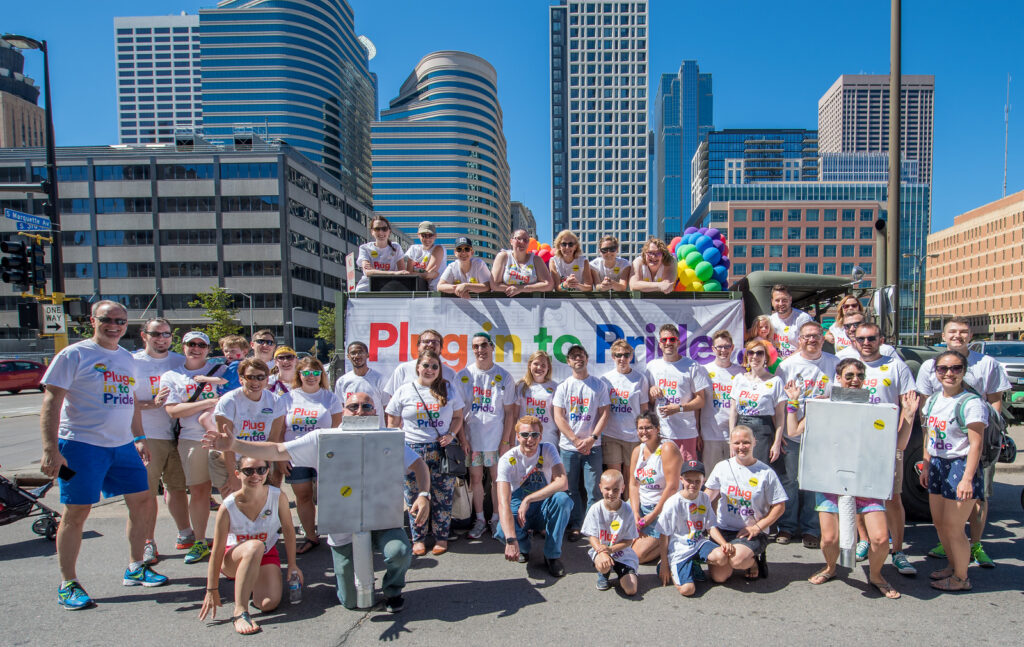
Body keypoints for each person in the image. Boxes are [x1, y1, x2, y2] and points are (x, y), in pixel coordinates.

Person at [203, 391, 430, 614]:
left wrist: (423, 494)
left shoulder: (387, 435)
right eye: (354, 406)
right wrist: (235, 445)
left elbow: (419, 464)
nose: (360, 411)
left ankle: (392, 590)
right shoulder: (323, 437)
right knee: (351, 602)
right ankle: (349, 583)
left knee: (399, 551)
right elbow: (277, 449)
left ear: (376, 411)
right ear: (343, 410)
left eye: (367, 406)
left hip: (382, 519)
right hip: (342, 524)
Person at [40, 300, 167, 610]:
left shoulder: (126, 359)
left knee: (142, 502)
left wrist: (138, 437)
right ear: (92, 321)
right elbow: (52, 403)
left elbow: (132, 402)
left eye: (120, 320)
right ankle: (68, 582)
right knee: (77, 511)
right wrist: (50, 450)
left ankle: (136, 566)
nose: (114, 325)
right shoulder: (74, 354)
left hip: (123, 446)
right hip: (81, 446)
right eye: (107, 319)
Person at [785, 359, 918, 599]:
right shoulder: (822, 405)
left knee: (879, 539)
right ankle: (831, 567)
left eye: (859, 375)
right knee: (829, 539)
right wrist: (793, 403)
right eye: (849, 375)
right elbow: (794, 431)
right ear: (838, 378)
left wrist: (908, 417)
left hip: (867, 482)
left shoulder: (877, 408)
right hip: (830, 481)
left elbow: (898, 444)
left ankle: (876, 575)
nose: (854, 380)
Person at [917, 317, 1010, 569]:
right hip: (943, 444)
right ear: (944, 336)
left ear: (971, 335)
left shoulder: (987, 363)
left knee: (978, 496)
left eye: (963, 332)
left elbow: (995, 401)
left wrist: (990, 437)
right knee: (945, 510)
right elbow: (928, 409)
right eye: (953, 332)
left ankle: (975, 544)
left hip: (976, 438)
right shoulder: (929, 366)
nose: (958, 336)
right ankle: (950, 545)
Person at [847, 322, 918, 576]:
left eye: (871, 338)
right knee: (854, 495)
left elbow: (908, 405)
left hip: (886, 446)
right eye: (861, 338)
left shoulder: (896, 366)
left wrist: (899, 439)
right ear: (854, 340)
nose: (866, 342)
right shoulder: (849, 365)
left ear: (881, 339)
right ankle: (864, 539)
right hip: (855, 444)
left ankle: (898, 551)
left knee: (892, 498)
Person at [198, 457, 299, 635]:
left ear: (267, 471)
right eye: (248, 471)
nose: (255, 475)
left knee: (268, 604)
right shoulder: (228, 506)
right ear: (237, 474)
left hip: (266, 555)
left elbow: (289, 531)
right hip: (233, 559)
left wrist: (292, 565)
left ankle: (250, 583)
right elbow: (217, 550)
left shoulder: (278, 496)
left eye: (261, 470)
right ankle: (240, 612)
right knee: (254, 546)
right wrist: (211, 589)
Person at [385, 350, 467, 556]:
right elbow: (392, 420)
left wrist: (451, 434)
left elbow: (458, 417)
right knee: (414, 495)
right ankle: (418, 537)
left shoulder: (448, 388)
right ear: (418, 367)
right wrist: (397, 443)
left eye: (434, 366)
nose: (430, 370)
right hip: (412, 450)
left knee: (443, 496)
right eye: (426, 366)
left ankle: (441, 537)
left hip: (441, 450)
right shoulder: (405, 390)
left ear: (439, 370)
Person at [920, 350, 989, 592]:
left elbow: (976, 443)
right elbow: (929, 434)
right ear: (936, 372)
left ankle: (962, 578)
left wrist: (967, 479)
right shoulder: (933, 400)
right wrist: (926, 464)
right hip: (938, 463)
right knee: (939, 523)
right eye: (943, 369)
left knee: (954, 526)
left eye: (956, 368)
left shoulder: (972, 403)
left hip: (960, 465)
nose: (949, 373)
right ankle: (953, 565)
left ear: (963, 371)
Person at [163, 331, 227, 565]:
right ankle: (200, 540)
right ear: (183, 346)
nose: (196, 348)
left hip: (223, 437)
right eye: (191, 344)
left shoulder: (220, 370)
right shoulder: (173, 375)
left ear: (208, 349)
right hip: (192, 439)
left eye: (202, 345)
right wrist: (209, 402)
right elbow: (172, 411)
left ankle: (232, 536)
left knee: (230, 489)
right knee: (199, 492)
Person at [132, 317, 188, 566]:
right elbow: (123, 401)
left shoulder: (179, 361)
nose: (162, 338)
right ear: (144, 335)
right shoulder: (132, 362)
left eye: (166, 334)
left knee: (176, 489)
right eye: (156, 334)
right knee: (146, 494)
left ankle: (186, 534)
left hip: (177, 434)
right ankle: (147, 542)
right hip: (148, 435)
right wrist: (151, 404)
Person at [776, 321, 836, 546]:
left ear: (823, 338)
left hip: (822, 437)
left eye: (816, 336)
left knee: (813, 482)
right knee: (789, 481)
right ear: (799, 340)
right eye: (806, 336)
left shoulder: (834, 363)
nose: (811, 340)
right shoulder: (787, 365)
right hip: (792, 435)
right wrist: (780, 431)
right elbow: (779, 401)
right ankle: (787, 527)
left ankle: (812, 528)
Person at [704, 426, 787, 582]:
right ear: (731, 444)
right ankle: (733, 559)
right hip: (723, 529)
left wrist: (756, 528)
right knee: (719, 577)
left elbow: (780, 506)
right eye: (737, 443)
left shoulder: (765, 472)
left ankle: (753, 561)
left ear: (754, 442)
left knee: (737, 560)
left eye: (746, 442)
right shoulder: (722, 467)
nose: (741, 447)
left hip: (751, 533)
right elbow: (707, 497)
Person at [453, 333, 516, 539]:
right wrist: (463, 439)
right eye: (475, 346)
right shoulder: (463, 375)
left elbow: (509, 413)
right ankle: (480, 519)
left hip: (497, 440)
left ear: (491, 347)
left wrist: (506, 441)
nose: (480, 350)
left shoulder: (504, 376)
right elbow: (458, 414)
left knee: (499, 481)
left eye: (484, 345)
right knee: (476, 479)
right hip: (473, 441)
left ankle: (497, 518)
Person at [494, 416, 573, 578]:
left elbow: (563, 483)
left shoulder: (548, 449)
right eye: (524, 435)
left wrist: (528, 499)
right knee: (502, 530)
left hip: (542, 507)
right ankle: (522, 545)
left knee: (562, 500)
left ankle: (552, 555)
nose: (530, 439)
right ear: (517, 436)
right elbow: (503, 503)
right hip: (519, 511)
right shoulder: (507, 460)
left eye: (535, 435)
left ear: (541, 437)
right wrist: (510, 540)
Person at [279, 357, 343, 553]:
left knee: (327, 496)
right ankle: (311, 536)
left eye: (315, 373)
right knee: (303, 496)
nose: (311, 377)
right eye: (306, 373)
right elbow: (279, 430)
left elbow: (337, 428)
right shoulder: (287, 398)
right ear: (299, 375)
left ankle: (336, 535)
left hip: (324, 455)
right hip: (295, 455)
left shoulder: (329, 397)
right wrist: (281, 458)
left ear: (321, 375)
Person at [553, 344, 611, 541]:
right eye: (573, 357)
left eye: (581, 355)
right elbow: (558, 417)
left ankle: (592, 525)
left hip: (593, 447)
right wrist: (576, 440)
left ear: (587, 358)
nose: (578, 359)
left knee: (594, 488)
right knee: (570, 488)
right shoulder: (563, 387)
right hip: (569, 447)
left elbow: (605, 414)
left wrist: (592, 438)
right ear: (568, 362)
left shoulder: (598, 385)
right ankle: (576, 524)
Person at [210, 359, 287, 501]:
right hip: (231, 460)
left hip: (261, 460)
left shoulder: (276, 401)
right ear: (241, 379)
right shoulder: (229, 401)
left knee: (262, 506)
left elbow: (273, 440)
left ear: (267, 379)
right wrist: (234, 477)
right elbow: (226, 444)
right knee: (236, 506)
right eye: (250, 377)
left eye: (260, 377)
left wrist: (262, 472)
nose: (255, 382)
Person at [729, 341, 787, 515]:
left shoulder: (775, 381)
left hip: (763, 429)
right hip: (741, 425)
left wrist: (777, 442)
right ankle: (742, 515)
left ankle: (763, 517)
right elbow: (733, 411)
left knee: (759, 474)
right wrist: (731, 439)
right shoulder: (739, 379)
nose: (755, 356)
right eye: (751, 353)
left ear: (766, 358)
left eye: (760, 353)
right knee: (740, 473)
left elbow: (780, 415)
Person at [656, 459, 730, 596]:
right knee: (688, 590)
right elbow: (663, 535)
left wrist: (724, 543)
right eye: (689, 480)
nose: (693, 484)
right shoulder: (673, 503)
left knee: (721, 557)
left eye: (697, 481)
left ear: (704, 480)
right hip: (680, 549)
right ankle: (672, 566)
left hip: (698, 543)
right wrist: (665, 563)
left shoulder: (704, 498)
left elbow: (711, 527)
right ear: (681, 480)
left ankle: (693, 563)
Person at [644, 324, 710, 461]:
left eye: (672, 339)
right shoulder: (652, 367)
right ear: (660, 344)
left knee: (686, 477)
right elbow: (649, 403)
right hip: (661, 433)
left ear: (678, 342)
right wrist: (651, 391)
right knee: (663, 476)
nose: (668, 343)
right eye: (664, 340)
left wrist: (679, 408)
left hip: (685, 433)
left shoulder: (692, 366)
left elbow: (701, 400)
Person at [627, 412, 681, 563]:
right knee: (616, 541)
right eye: (640, 428)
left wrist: (652, 515)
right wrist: (635, 512)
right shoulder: (637, 451)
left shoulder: (667, 448)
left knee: (637, 555)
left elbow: (672, 487)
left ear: (657, 428)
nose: (644, 432)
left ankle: (671, 539)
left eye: (648, 428)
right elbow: (633, 484)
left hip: (662, 509)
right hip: (642, 506)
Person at [582, 470, 639, 594]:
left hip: (622, 553)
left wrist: (611, 550)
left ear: (622, 488)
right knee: (604, 564)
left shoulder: (627, 511)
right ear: (600, 487)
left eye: (615, 490)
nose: (611, 493)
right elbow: (592, 536)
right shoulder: (595, 509)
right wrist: (601, 551)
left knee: (631, 590)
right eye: (607, 489)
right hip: (601, 551)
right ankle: (604, 573)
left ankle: (623, 572)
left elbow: (629, 540)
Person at [599, 339, 650, 478]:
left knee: (631, 477)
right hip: (611, 434)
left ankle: (630, 501)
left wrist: (644, 433)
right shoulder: (605, 379)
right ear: (613, 357)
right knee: (615, 476)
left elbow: (644, 409)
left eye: (626, 355)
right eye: (618, 355)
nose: (622, 358)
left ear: (631, 357)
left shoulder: (640, 379)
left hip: (633, 436)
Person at [699, 330, 744, 467]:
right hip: (710, 434)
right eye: (719, 347)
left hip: (736, 435)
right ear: (713, 349)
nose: (723, 350)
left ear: (732, 348)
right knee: (711, 479)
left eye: (726, 346)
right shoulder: (703, 371)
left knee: (734, 478)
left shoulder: (741, 372)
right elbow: (698, 402)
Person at [381, 329, 456, 404]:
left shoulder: (450, 373)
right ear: (418, 346)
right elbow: (393, 400)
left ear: (440, 349)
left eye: (434, 342)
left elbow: (456, 406)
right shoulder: (403, 369)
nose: (430, 344)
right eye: (426, 341)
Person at [514, 350, 560, 447]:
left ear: (548, 368)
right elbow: (514, 417)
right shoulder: (521, 386)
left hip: (548, 440)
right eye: (536, 364)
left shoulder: (556, 387)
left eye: (543, 365)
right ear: (529, 365)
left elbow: (559, 417)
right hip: (525, 441)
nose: (539, 367)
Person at [334, 341, 386, 424]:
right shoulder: (342, 381)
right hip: (351, 430)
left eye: (360, 352)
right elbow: (340, 409)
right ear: (348, 356)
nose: (357, 356)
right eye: (353, 353)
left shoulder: (379, 379)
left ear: (367, 355)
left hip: (375, 430)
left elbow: (386, 408)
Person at [490, 228, 554, 296]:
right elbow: (494, 284)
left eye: (525, 240)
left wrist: (521, 289)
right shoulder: (503, 256)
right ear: (511, 241)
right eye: (518, 239)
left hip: (532, 304)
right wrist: (515, 290)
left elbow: (549, 285)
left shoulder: (536, 260)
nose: (522, 242)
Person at [355, 215, 407, 292]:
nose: (381, 232)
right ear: (372, 231)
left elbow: (402, 272)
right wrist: (394, 273)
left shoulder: (396, 247)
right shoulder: (365, 248)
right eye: (377, 229)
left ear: (389, 231)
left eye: (384, 229)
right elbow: (368, 272)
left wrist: (375, 271)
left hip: (390, 287)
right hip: (367, 287)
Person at [768, 284, 814, 359]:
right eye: (777, 300)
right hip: (777, 364)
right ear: (772, 301)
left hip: (798, 363)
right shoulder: (771, 319)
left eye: (784, 300)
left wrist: (787, 361)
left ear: (790, 300)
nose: (780, 303)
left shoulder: (803, 318)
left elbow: (806, 345)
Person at [404, 220, 446, 290]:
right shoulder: (413, 249)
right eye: (424, 235)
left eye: (430, 235)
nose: (427, 239)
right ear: (418, 235)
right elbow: (409, 274)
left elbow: (428, 276)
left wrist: (415, 273)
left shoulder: (438, 249)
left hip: (435, 290)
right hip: (417, 288)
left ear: (435, 236)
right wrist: (426, 274)